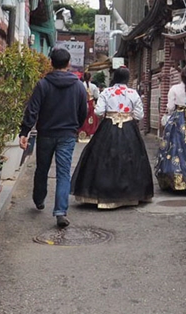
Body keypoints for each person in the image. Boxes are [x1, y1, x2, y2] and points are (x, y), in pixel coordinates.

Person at [19, 47, 87, 228]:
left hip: (46, 134)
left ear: (51, 63)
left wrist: (24, 132)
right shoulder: (78, 86)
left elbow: (32, 110)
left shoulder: (43, 84)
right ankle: (60, 212)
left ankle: (39, 199)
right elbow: (83, 112)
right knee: (63, 172)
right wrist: (75, 127)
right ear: (69, 63)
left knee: (42, 167)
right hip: (67, 135)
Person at [71, 67, 154, 208]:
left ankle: (104, 193)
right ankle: (130, 195)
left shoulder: (107, 92)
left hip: (109, 126)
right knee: (131, 158)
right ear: (127, 79)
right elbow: (140, 115)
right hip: (129, 128)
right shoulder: (133, 93)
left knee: (104, 158)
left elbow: (98, 112)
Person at [78, 71, 101, 143]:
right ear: (90, 78)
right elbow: (97, 96)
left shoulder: (80, 85)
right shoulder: (94, 86)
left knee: (83, 118)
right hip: (91, 103)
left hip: (83, 103)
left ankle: (82, 133)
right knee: (91, 118)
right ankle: (90, 133)